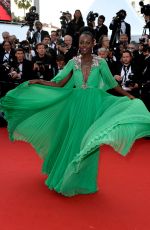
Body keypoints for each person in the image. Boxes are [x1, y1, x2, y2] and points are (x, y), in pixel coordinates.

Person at [0, 31, 150, 197]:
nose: (83, 46)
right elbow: (59, 83)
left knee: (88, 143)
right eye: (81, 43)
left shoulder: (101, 62)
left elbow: (112, 84)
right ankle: (66, 177)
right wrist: (39, 81)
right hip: (75, 105)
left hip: (93, 106)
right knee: (74, 140)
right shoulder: (73, 62)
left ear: (93, 43)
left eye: (87, 43)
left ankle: (83, 180)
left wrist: (129, 96)